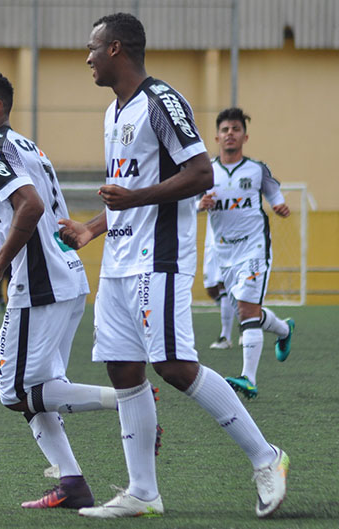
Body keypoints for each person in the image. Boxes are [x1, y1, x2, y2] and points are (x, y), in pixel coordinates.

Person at [60, 13, 289, 519]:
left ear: (117, 49)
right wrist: (90, 229)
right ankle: (143, 492)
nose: (88, 57)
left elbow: (200, 173)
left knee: (174, 366)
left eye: (93, 48)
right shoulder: (113, 112)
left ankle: (266, 457)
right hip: (119, 261)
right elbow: (126, 192)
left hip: (158, 258)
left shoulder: (161, 101)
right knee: (123, 370)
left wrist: (135, 197)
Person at [0, 69, 121, 511]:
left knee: (14, 393)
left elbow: (32, 205)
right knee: (41, 388)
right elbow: (32, 210)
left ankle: (128, 400)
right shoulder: (26, 145)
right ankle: (73, 484)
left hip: (40, 283)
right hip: (67, 275)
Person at [198, 107, 295, 399]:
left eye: (235, 129)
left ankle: (248, 379)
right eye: (225, 129)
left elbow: (274, 194)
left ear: (245, 136)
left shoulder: (256, 169)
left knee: (245, 309)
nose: (230, 134)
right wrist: (200, 204)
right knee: (248, 311)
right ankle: (284, 330)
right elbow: (189, 204)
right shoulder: (206, 172)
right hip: (223, 251)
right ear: (217, 136)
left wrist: (279, 206)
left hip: (253, 246)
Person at [201, 218, 237, 349]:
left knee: (224, 285)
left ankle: (225, 337)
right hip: (211, 242)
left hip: (228, 240)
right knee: (211, 289)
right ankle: (248, 322)